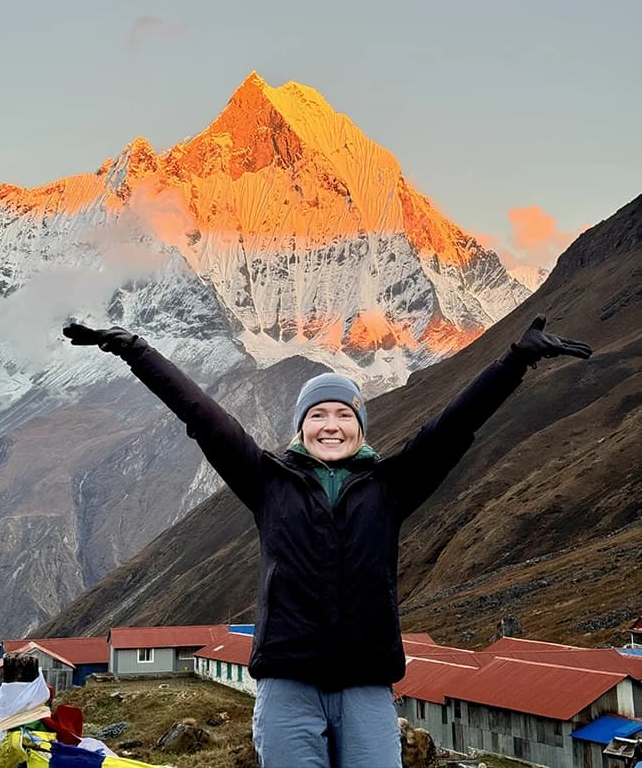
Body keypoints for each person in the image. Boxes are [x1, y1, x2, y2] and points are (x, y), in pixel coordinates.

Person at [63, 314, 592, 768]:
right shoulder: (267, 482)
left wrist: (513, 363)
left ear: (360, 428)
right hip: (288, 682)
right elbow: (204, 419)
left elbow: (453, 427)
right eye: (318, 415)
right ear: (300, 428)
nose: (331, 424)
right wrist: (137, 351)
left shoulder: (390, 487)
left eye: (344, 414)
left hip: (366, 684)